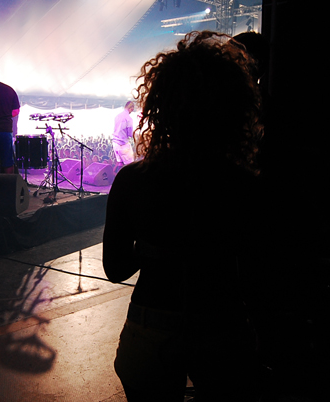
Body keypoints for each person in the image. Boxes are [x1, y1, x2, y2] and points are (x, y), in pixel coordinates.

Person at [102, 31, 264, 402]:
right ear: (233, 107)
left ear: (161, 105)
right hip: (222, 323)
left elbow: (116, 268)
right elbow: (257, 274)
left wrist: (155, 249)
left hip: (151, 322)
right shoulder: (243, 184)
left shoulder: (133, 180)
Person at [111, 101, 135, 172]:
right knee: (130, 164)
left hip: (115, 143)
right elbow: (130, 134)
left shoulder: (117, 116)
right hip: (122, 144)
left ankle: (118, 177)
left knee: (120, 162)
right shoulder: (128, 118)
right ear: (131, 108)